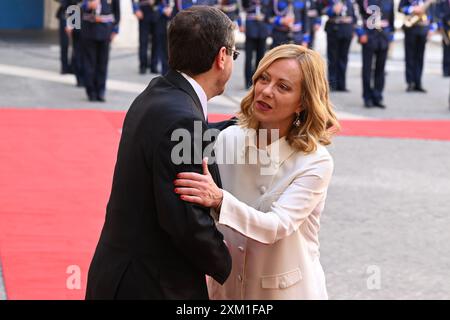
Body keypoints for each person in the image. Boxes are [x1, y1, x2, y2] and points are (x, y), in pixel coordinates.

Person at [86, 6, 237, 300]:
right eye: (234, 54)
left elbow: (173, 142)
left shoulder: (159, 92)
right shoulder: (184, 120)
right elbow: (185, 223)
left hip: (118, 272)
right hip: (150, 283)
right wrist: (229, 264)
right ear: (221, 57)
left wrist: (238, 125)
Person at [174, 44, 340, 299]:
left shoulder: (315, 162)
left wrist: (219, 200)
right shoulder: (227, 139)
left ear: (303, 103)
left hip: (286, 292)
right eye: (264, 78)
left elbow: (276, 226)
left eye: (283, 87)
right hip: (227, 289)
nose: (266, 91)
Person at [355, 0, 395, 108]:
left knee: (381, 69)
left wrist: (391, 34)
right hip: (368, 36)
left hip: (383, 37)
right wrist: (360, 33)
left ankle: (378, 96)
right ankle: (367, 97)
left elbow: (391, 18)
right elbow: (357, 14)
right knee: (367, 69)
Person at [80, 0, 120, 102]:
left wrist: (115, 29)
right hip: (89, 29)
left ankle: (101, 91)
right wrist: (87, 5)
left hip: (105, 30)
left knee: (102, 63)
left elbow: (117, 11)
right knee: (90, 63)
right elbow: (75, 5)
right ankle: (91, 91)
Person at [399, 0, 435, 92]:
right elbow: (400, 8)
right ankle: (410, 82)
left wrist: (431, 28)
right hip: (411, 28)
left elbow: (432, 12)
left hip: (423, 28)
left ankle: (418, 82)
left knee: (420, 57)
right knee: (409, 56)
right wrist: (412, 9)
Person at [323, 0, 357, 91]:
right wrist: (332, 10)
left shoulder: (349, 1)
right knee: (332, 58)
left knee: (343, 58)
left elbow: (354, 15)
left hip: (347, 31)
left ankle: (342, 84)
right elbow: (321, 10)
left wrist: (354, 29)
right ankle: (332, 84)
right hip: (334, 30)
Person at [242, 0, 271, 89]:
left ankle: (257, 80)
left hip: (263, 28)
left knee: (260, 57)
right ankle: (248, 82)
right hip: (251, 28)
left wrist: (265, 17)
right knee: (249, 57)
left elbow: (270, 10)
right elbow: (244, 5)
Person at [437, 0, 450, 77]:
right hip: (446, 30)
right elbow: (439, 15)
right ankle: (446, 70)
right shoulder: (442, 2)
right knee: (446, 50)